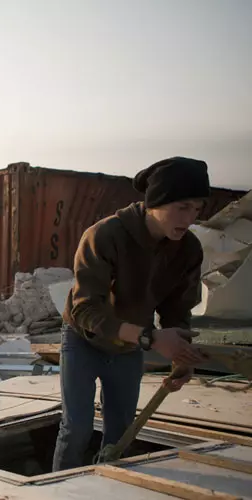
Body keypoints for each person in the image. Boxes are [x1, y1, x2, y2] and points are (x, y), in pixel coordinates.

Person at [52, 157, 208, 471]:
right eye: (182, 207)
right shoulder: (105, 235)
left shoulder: (188, 248)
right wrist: (149, 337)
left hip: (128, 349)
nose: (190, 218)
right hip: (84, 342)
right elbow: (84, 309)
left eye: (197, 208)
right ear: (156, 203)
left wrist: (181, 356)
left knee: (121, 435)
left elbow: (178, 308)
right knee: (77, 428)